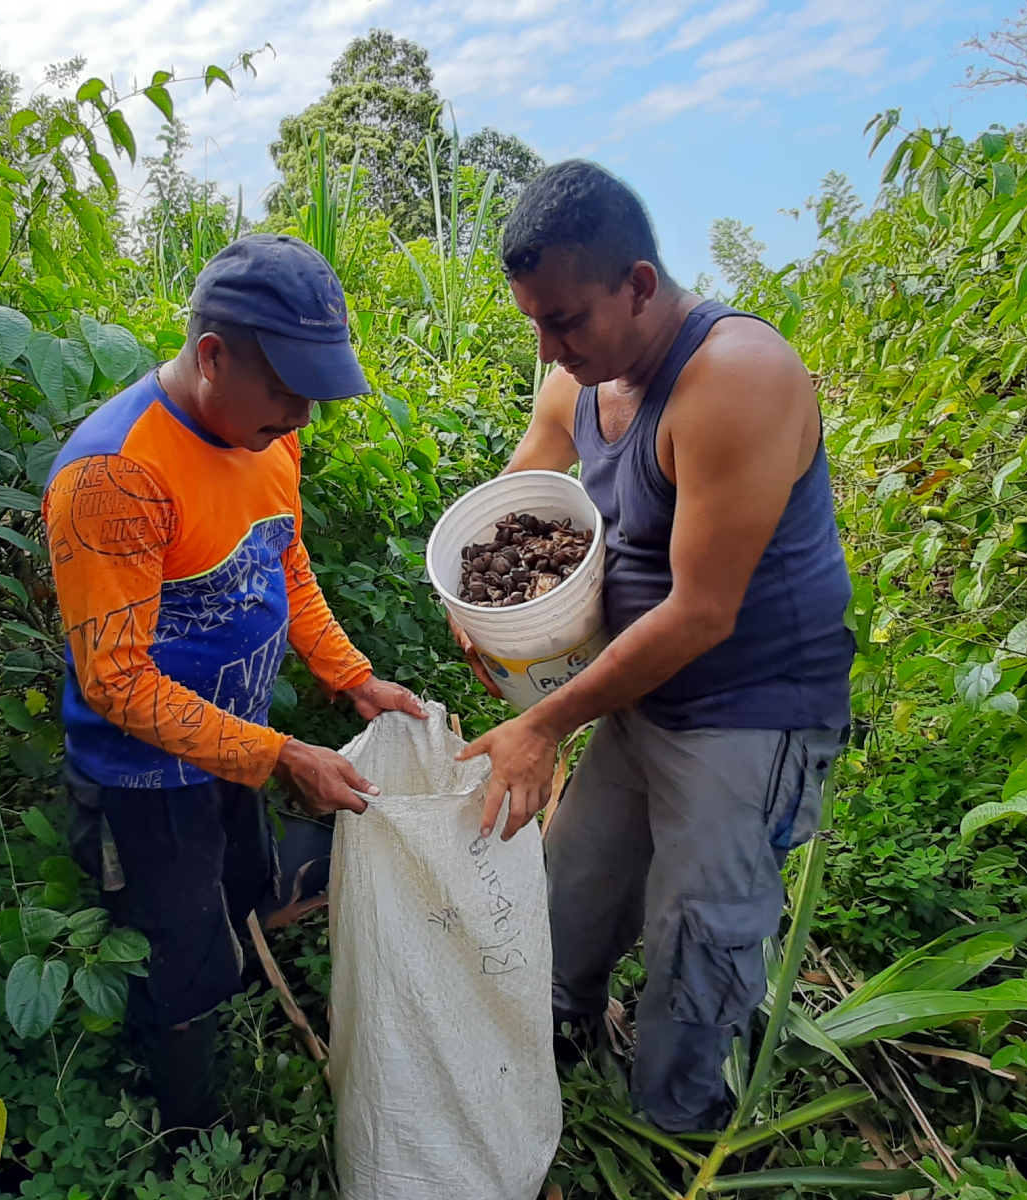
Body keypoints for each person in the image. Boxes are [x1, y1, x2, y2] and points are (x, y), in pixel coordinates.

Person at [454, 161, 854, 1132]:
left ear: (637, 283)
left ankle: (677, 1128)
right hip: (638, 696)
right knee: (570, 892)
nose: (549, 348)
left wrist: (543, 721)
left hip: (750, 710)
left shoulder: (736, 379)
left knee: (696, 939)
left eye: (568, 322)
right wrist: (480, 620)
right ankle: (555, 1053)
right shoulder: (577, 383)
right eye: (534, 324)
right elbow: (506, 513)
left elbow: (704, 612)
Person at [43, 233, 424, 1136]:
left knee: (243, 886)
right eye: (287, 388)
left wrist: (352, 678)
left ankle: (250, 999)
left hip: (237, 750)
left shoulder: (267, 437)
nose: (300, 414)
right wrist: (281, 753)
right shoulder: (116, 476)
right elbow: (117, 681)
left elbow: (284, 563)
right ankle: (191, 1134)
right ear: (212, 356)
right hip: (145, 779)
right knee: (175, 947)